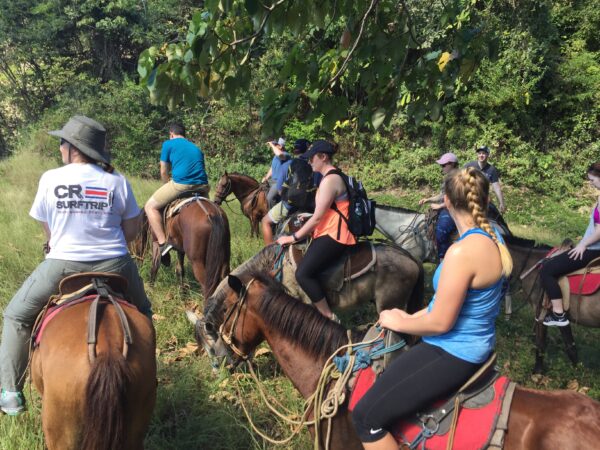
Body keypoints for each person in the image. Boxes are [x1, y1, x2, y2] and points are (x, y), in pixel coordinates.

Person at [0, 116, 152, 416]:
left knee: (15, 316)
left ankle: (10, 392)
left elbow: (49, 232)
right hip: (116, 263)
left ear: (72, 149)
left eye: (62, 143)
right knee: (144, 314)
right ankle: (149, 377)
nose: (59, 148)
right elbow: (132, 232)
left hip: (62, 264)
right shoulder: (117, 180)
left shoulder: (50, 179)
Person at [352, 167, 512, 449]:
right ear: (485, 202)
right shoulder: (493, 238)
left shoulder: (461, 253)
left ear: (447, 202)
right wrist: (410, 315)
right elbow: (445, 304)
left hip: (453, 351)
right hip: (476, 344)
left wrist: (397, 321)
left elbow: (441, 323)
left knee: (366, 418)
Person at [276, 140, 355, 320]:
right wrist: (307, 218)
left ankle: (328, 317)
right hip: (327, 228)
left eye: (312, 158)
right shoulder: (329, 178)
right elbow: (325, 210)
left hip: (335, 233)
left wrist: (293, 237)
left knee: (303, 273)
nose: (309, 162)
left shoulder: (331, 180)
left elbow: (318, 217)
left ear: (323, 157)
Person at [539, 162, 600, 327]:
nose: (590, 183)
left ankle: (558, 314)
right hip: (593, 247)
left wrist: (582, 245)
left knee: (547, 270)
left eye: (592, 180)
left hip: (593, 249)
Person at [144, 123, 209, 258]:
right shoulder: (196, 147)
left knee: (150, 207)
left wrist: (166, 182)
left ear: (171, 134)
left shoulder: (168, 144)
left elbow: (163, 171)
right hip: (203, 187)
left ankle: (163, 244)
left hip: (181, 185)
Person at [261, 138, 312, 245]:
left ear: (294, 151)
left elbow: (279, 189)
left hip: (290, 205)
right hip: (311, 205)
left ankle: (270, 253)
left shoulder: (288, 163)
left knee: (265, 221)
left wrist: (286, 197)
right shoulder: (315, 164)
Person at [419, 152, 459, 259]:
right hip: (447, 206)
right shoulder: (448, 177)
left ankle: (444, 259)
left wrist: (440, 206)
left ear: (451, 164)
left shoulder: (457, 177)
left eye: (443, 165)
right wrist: (427, 199)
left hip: (455, 209)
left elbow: (456, 198)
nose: (442, 167)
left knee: (441, 231)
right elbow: (443, 195)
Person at [464, 145, 506, 214]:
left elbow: (496, 187)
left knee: (494, 214)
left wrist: (501, 203)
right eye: (479, 153)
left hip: (483, 199)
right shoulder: (469, 165)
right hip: (468, 197)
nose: (481, 155)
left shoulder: (492, 170)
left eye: (483, 153)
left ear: (488, 155)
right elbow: (459, 177)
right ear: (477, 155)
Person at [261, 137, 290, 208]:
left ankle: (273, 217)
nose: (273, 147)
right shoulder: (275, 157)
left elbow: (280, 155)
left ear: (280, 146)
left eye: (276, 145)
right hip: (272, 180)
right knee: (260, 193)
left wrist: (271, 145)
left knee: (269, 198)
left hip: (280, 182)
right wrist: (266, 177)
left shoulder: (286, 155)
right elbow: (272, 168)